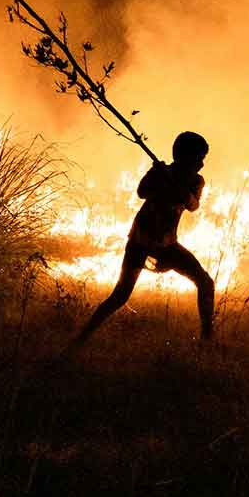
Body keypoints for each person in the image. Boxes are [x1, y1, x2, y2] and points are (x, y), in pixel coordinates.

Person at [73, 131, 215, 346]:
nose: (201, 164)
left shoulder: (195, 180)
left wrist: (180, 188)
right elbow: (141, 192)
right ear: (183, 156)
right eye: (199, 158)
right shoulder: (160, 171)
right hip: (140, 243)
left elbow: (193, 205)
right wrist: (156, 174)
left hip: (167, 245)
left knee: (205, 283)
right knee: (120, 296)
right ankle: (81, 338)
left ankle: (207, 340)